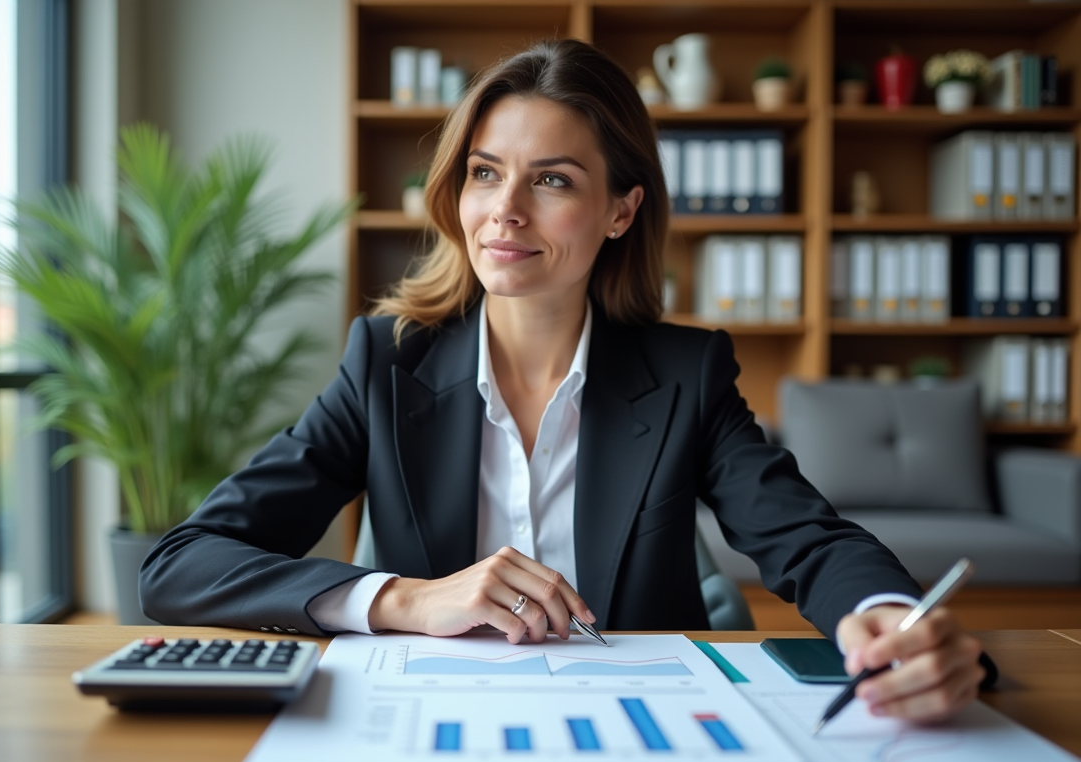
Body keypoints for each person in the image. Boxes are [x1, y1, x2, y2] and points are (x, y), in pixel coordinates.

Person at [140, 39, 987, 723]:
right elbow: (181, 564)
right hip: (430, 723)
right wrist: (405, 600)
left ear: (622, 210)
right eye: (484, 171)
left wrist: (889, 616)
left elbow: (807, 539)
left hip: (635, 727)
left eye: (551, 180)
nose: (505, 209)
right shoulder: (386, 364)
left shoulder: (687, 375)